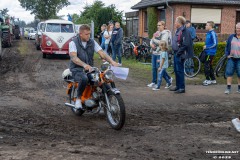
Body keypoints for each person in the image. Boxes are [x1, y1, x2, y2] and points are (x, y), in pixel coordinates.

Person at [69, 24, 119, 109]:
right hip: (77, 69)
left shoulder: (92, 42)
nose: (89, 36)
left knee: (102, 79)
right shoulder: (73, 42)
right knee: (84, 78)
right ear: (80, 34)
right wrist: (84, 65)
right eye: (86, 34)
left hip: (90, 69)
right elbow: (74, 57)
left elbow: (102, 53)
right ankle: (78, 99)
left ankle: (105, 101)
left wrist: (112, 61)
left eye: (89, 33)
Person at [170, 16, 193, 93]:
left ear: (179, 23)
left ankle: (182, 88)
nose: (175, 23)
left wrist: (179, 52)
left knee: (180, 70)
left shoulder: (184, 31)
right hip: (176, 53)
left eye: (176, 22)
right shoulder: (178, 30)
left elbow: (186, 44)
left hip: (180, 54)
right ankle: (178, 86)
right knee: (176, 70)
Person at [147, 21, 173, 88]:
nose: (158, 26)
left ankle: (169, 79)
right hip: (154, 52)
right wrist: (151, 44)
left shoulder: (166, 33)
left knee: (160, 68)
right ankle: (154, 82)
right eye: (157, 25)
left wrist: (154, 40)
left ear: (163, 26)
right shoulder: (157, 33)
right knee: (154, 68)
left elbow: (162, 42)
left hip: (160, 53)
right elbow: (151, 40)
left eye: (159, 25)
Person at [224, 22, 240, 94]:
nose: (238, 29)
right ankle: (228, 88)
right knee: (229, 73)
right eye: (237, 28)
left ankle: (239, 89)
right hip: (231, 58)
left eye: (239, 28)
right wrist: (227, 55)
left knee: (239, 74)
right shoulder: (231, 36)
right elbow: (227, 47)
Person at [202, 21, 218, 86]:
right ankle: (213, 79)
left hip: (210, 53)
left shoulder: (213, 33)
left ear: (210, 26)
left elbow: (215, 43)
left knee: (206, 65)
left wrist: (207, 47)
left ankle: (208, 80)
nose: (205, 26)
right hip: (208, 52)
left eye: (206, 25)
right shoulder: (208, 33)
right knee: (209, 66)